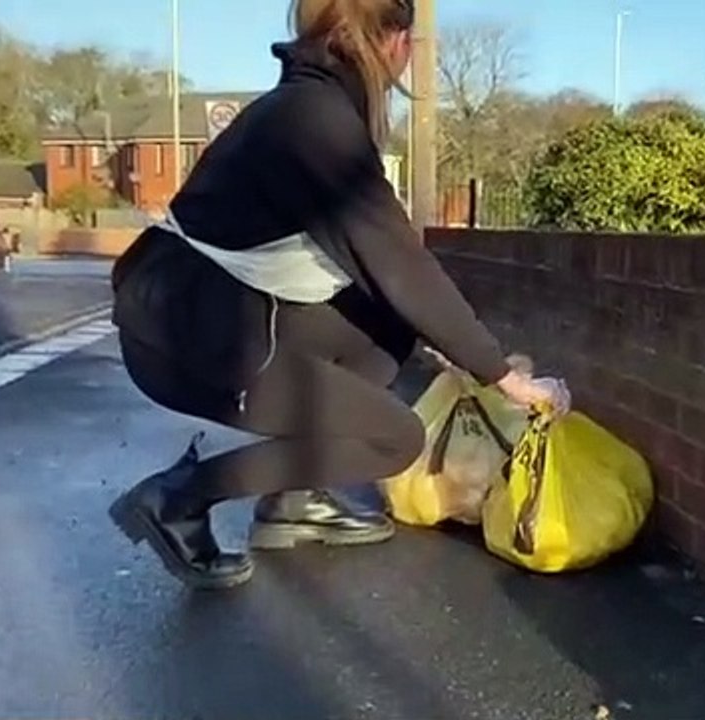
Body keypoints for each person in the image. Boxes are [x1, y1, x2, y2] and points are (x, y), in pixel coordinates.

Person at [107, 0, 570, 590]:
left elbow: (384, 277)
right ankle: (179, 498)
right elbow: (398, 261)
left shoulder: (311, 108)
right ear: (396, 42)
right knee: (394, 438)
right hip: (183, 337)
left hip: (216, 317)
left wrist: (448, 340)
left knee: (389, 327)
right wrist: (502, 376)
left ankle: (291, 499)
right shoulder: (314, 122)